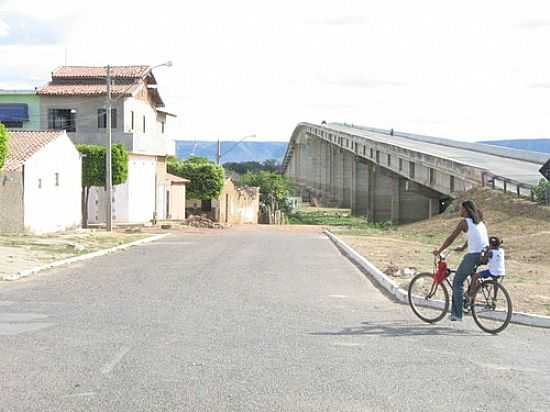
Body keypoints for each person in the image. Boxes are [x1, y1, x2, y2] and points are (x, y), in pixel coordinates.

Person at [433, 200, 489, 321]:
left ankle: (457, 314)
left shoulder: (464, 223)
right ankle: (468, 298)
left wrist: (439, 250)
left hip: (473, 256)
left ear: (466, 210)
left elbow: (451, 238)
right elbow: (474, 237)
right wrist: (463, 247)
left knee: (457, 282)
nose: (460, 211)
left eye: (461, 209)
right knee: (468, 275)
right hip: (485, 255)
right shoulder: (480, 222)